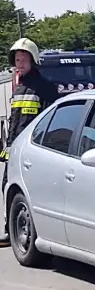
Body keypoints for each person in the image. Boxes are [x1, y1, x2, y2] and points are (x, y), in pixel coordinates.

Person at [0, 38, 59, 246]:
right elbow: (14, 120)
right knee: (8, 188)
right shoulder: (19, 87)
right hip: (14, 150)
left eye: (24, 59)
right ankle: (11, 230)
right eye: (17, 59)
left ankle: (32, 234)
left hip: (31, 150)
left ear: (33, 60)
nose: (20, 63)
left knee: (29, 192)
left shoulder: (44, 87)